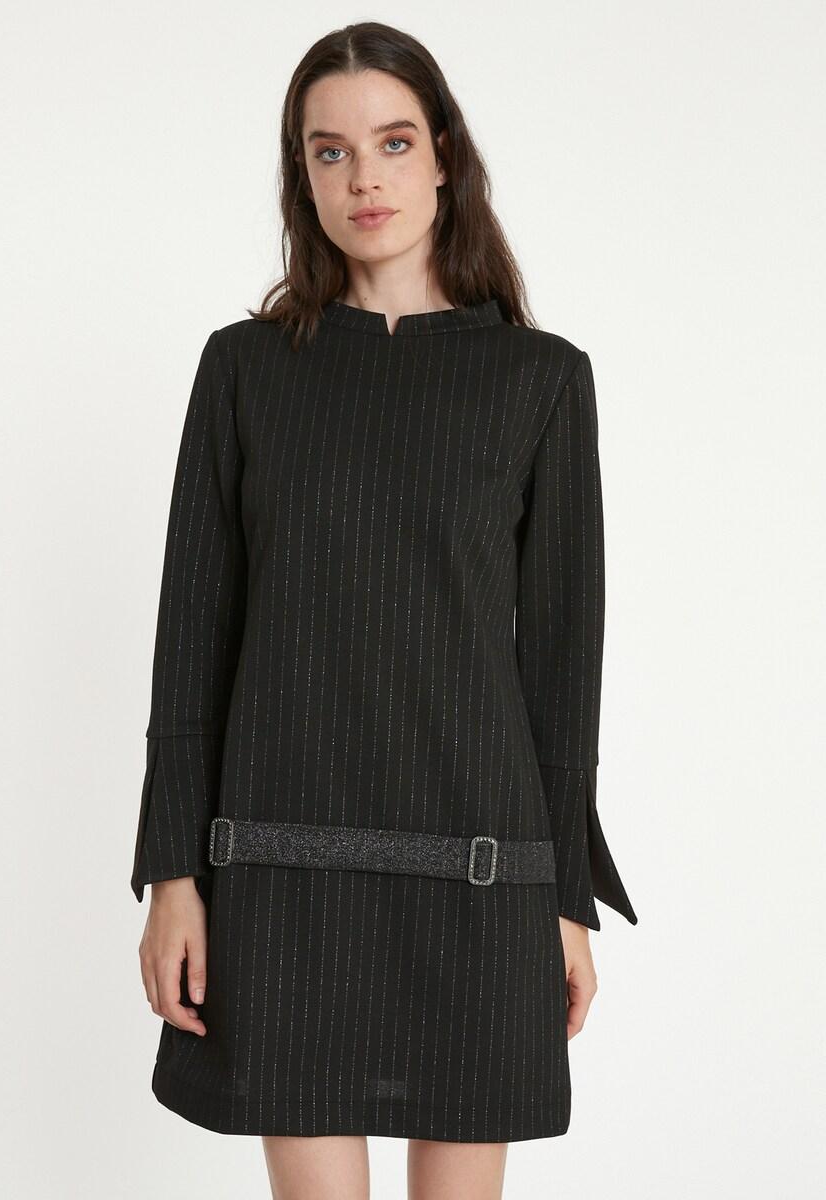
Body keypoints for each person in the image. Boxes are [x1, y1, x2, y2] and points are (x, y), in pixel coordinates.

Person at [132, 20, 637, 1200]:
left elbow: (562, 669)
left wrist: (565, 899)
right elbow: (191, 641)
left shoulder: (541, 380)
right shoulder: (246, 370)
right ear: (301, 175)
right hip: (281, 873)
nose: (364, 177)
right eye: (330, 151)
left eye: (394, 142)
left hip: (481, 875)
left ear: (445, 154)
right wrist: (172, 875)